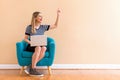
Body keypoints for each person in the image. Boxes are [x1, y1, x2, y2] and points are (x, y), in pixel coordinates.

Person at [24, 9, 60, 76]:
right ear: (35, 18)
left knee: (44, 48)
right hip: (31, 45)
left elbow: (55, 26)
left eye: (42, 16)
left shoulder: (43, 27)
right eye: (40, 16)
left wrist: (58, 15)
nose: (41, 18)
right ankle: (34, 69)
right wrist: (31, 42)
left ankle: (30, 67)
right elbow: (25, 39)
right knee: (38, 48)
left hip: (40, 45)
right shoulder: (29, 27)